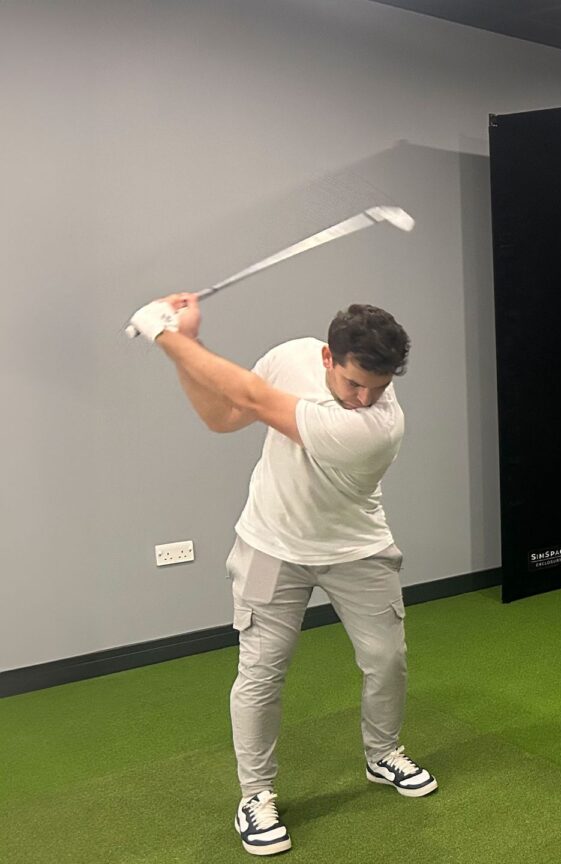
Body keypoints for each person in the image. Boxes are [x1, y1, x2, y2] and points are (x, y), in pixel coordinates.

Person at [130, 294, 437, 857]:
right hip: (270, 544)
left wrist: (165, 335)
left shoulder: (375, 427)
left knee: (386, 659)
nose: (365, 399)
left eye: (378, 387)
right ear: (326, 357)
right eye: (354, 384)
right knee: (261, 671)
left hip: (356, 548)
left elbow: (250, 396)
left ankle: (383, 754)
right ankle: (256, 795)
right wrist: (184, 346)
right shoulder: (292, 356)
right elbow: (224, 415)